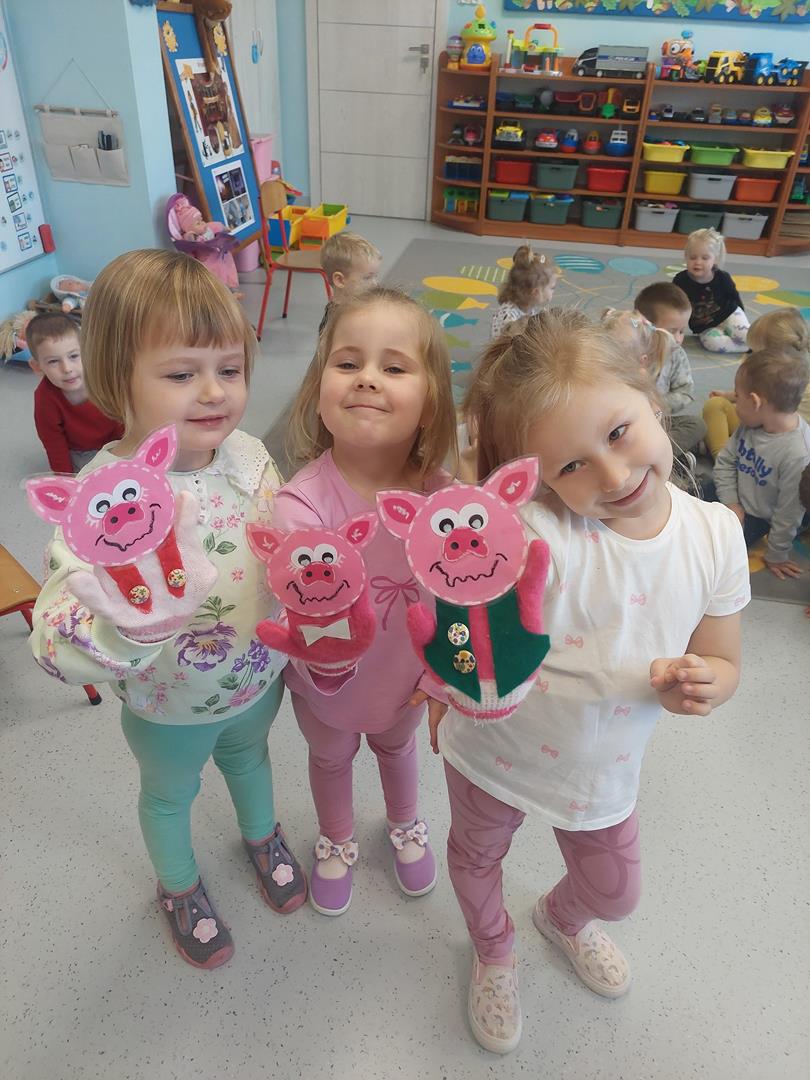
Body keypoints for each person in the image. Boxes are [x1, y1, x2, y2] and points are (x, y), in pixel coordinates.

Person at [434, 309, 749, 1055]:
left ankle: (560, 919)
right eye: (570, 467)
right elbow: (465, 627)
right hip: (495, 754)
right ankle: (495, 949)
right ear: (539, 482)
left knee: (617, 891)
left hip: (603, 773)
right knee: (476, 860)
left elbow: (724, 659)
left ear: (649, 394)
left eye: (618, 432)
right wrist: (445, 685)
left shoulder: (714, 536)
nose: (613, 475)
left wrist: (707, 681)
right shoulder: (540, 534)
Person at [29, 250, 307, 970]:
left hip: (256, 679)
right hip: (166, 704)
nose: (214, 392)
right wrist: (122, 630)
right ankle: (178, 886)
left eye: (230, 368)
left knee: (252, 758)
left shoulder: (250, 456)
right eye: (182, 374)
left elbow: (281, 546)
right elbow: (53, 637)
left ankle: (261, 834)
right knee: (168, 796)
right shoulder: (101, 498)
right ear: (117, 378)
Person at [276, 285, 457, 916]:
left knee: (397, 748)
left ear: (431, 404)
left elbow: (461, 601)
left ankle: (405, 822)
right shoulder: (300, 503)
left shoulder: (443, 500)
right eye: (348, 363)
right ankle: (337, 836)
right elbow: (304, 602)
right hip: (324, 684)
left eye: (395, 367)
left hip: (406, 679)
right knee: (329, 757)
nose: (367, 379)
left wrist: (442, 674)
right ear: (318, 390)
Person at [712, 348, 810, 581]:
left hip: (765, 516)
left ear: (755, 402)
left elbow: (788, 514)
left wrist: (776, 554)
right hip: (740, 495)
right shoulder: (752, 423)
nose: (734, 402)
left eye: (737, 396)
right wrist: (731, 502)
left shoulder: (797, 454)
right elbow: (725, 461)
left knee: (717, 548)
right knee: (686, 502)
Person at [703, 307, 810, 457]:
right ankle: (722, 453)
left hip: (780, 443)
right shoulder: (768, 372)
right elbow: (752, 396)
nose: (751, 357)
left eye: (755, 352)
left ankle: (723, 452)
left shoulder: (799, 385)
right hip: (755, 427)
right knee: (716, 405)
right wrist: (729, 395)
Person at [602, 306, 705, 459]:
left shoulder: (641, 381)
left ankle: (664, 455)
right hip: (619, 437)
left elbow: (656, 417)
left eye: (617, 362)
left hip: (645, 431)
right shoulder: (600, 377)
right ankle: (672, 456)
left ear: (641, 362)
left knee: (695, 424)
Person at [27, 312, 123, 474]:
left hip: (118, 441)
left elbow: (123, 417)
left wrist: (124, 450)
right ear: (37, 367)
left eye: (73, 356)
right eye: (53, 361)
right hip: (81, 452)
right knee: (88, 478)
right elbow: (53, 442)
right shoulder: (45, 398)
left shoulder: (103, 378)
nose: (67, 368)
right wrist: (64, 477)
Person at [673, 229, 749, 354]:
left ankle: (757, 343)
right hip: (706, 326)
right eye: (692, 257)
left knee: (743, 335)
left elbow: (734, 297)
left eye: (705, 258)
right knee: (712, 343)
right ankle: (747, 348)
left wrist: (741, 319)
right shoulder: (680, 280)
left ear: (715, 259)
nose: (698, 262)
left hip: (729, 314)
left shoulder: (722, 277)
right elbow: (674, 305)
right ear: (686, 257)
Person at [318, 231, 382, 334]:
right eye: (367, 278)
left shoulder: (358, 309)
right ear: (339, 280)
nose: (375, 284)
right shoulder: (338, 323)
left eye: (375, 276)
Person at [490, 245, 559, 339]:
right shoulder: (510, 319)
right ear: (536, 292)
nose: (553, 291)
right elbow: (512, 345)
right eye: (552, 288)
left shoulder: (527, 307)